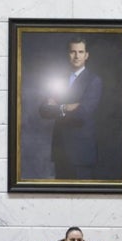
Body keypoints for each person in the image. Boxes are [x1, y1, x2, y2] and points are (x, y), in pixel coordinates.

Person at [39, 37, 103, 180]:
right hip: (60, 150)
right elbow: (43, 110)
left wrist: (57, 107)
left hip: (81, 154)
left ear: (86, 55)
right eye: (73, 52)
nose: (76, 56)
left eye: (80, 52)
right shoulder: (59, 79)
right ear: (68, 54)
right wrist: (66, 107)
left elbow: (82, 113)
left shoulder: (94, 80)